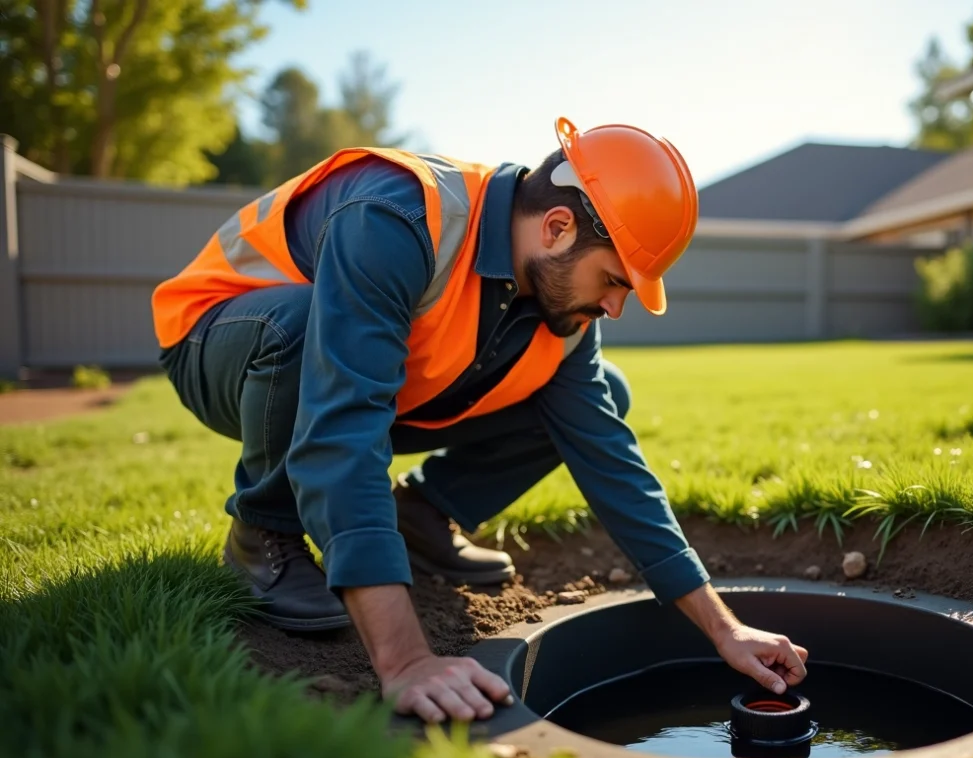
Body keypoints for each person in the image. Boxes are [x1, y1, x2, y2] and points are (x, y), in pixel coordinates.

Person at [151, 116, 808, 724]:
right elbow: (342, 429)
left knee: (605, 391)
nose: (615, 306)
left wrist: (725, 627)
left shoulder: (562, 309)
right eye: (614, 279)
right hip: (228, 340)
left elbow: (611, 460)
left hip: (371, 378)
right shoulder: (396, 216)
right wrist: (406, 660)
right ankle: (263, 531)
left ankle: (424, 513)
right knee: (301, 329)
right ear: (556, 227)